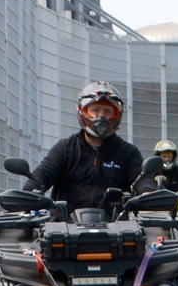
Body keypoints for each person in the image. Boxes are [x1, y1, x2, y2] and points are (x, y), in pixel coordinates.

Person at [26, 81, 153, 212]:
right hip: (65, 222)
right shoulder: (65, 148)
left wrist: (147, 193)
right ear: (83, 112)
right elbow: (41, 176)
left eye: (107, 111)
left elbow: (143, 180)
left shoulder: (128, 152)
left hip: (117, 222)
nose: (101, 116)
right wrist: (28, 194)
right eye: (95, 110)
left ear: (117, 115)